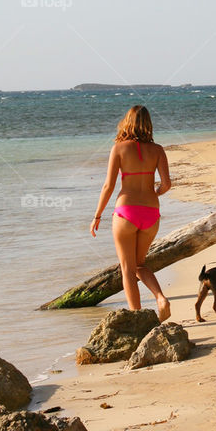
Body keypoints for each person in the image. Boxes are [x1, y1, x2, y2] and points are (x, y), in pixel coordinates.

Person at [90, 104, 172, 321]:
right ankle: (160, 297)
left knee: (127, 269)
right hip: (151, 213)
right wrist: (154, 193)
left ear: (127, 122)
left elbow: (108, 186)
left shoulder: (118, 148)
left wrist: (97, 215)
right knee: (140, 265)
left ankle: (136, 318)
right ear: (148, 124)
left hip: (126, 212)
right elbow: (166, 184)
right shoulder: (158, 150)